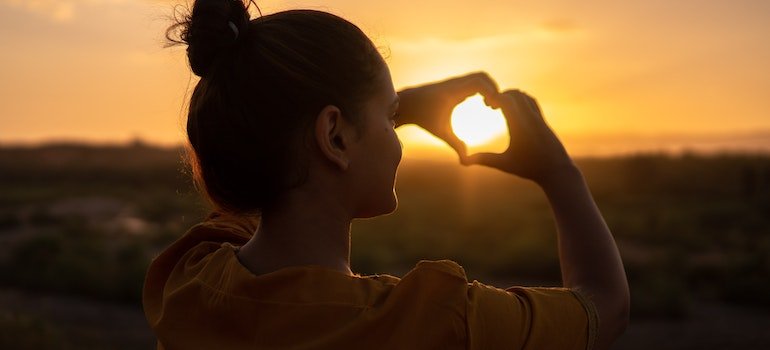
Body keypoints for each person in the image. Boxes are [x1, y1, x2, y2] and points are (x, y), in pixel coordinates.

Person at [143, 0, 630, 349]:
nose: (397, 135)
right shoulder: (436, 322)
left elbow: (269, 157)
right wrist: (560, 174)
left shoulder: (189, 280)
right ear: (334, 136)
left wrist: (382, 110)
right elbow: (603, 308)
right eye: (390, 118)